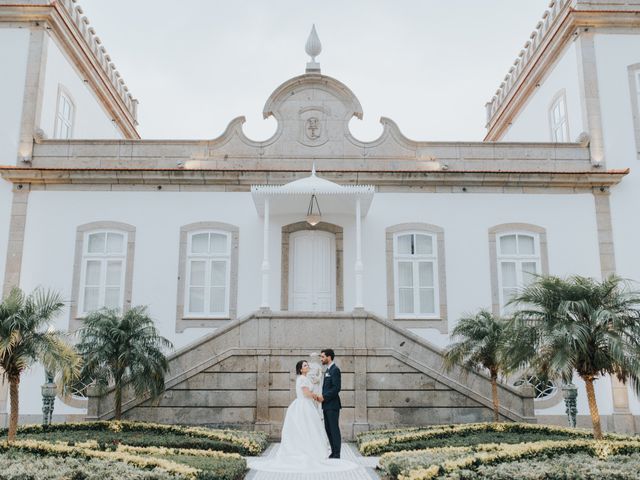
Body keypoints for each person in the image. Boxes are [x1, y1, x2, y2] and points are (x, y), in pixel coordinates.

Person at [248, 359, 357, 474]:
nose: (307, 366)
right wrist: (316, 397)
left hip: (307, 405)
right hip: (303, 405)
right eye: (305, 365)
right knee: (304, 428)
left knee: (309, 429)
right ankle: (305, 451)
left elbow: (312, 386)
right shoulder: (302, 379)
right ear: (301, 369)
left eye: (307, 365)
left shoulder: (306, 378)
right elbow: (306, 393)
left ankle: (312, 451)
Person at [319, 348, 342, 458]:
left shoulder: (335, 370)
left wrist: (324, 397)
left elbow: (336, 388)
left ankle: (337, 453)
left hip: (333, 405)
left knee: (334, 429)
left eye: (322, 357)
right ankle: (333, 452)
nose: (321, 359)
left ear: (329, 357)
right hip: (326, 406)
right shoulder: (327, 370)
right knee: (328, 429)